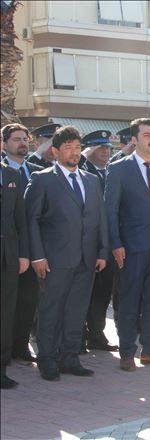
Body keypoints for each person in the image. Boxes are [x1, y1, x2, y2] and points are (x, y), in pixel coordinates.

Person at [25, 125, 109, 381]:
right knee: (51, 310)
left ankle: (70, 357)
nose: (74, 152)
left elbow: (100, 218)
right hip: (55, 259)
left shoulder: (91, 180)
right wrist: (37, 256)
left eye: (77, 147)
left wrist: (102, 251)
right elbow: (32, 220)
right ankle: (47, 359)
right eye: (68, 148)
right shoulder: (42, 179)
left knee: (76, 310)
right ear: (55, 151)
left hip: (86, 258)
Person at [105, 118, 150, 371]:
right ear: (134, 140)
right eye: (147, 134)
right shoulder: (119, 168)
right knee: (129, 300)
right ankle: (127, 352)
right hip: (130, 247)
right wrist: (115, 243)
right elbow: (111, 210)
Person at [1, 123, 42, 362]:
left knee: (28, 300)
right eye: (16, 139)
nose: (22, 143)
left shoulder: (38, 171)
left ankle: (21, 346)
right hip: (8, 248)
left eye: (25, 139)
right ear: (4, 144)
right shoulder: (5, 172)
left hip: (32, 247)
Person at [80, 130, 118, 352]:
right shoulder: (83, 170)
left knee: (103, 292)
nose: (105, 151)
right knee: (84, 292)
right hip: (87, 243)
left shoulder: (112, 170)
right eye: (99, 147)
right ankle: (79, 336)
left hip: (109, 243)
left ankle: (97, 334)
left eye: (107, 147)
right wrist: (84, 154)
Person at [1, 163, 30, 389]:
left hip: (8, 257)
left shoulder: (11, 174)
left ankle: (1, 370)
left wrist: (23, 254)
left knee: (5, 314)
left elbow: (21, 218)